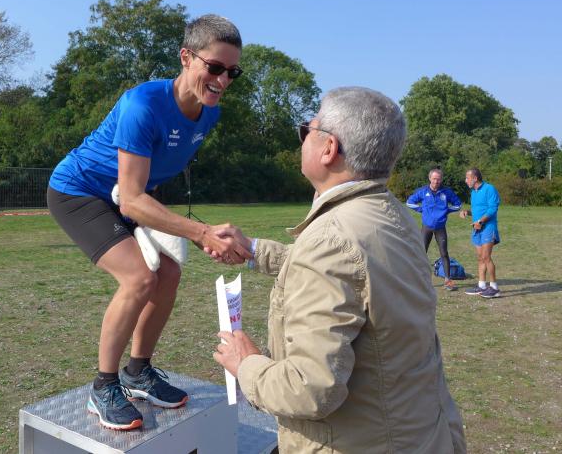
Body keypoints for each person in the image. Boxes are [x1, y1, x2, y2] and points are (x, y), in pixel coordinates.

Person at [210, 87, 466, 453]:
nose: (302, 138)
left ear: (329, 148)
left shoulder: (331, 241)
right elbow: (353, 273)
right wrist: (252, 250)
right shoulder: (391, 215)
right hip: (418, 433)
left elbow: (309, 389)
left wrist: (246, 365)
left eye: (307, 129)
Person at [47, 15, 251, 430]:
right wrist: (201, 232)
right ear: (186, 57)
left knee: (169, 273)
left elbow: (149, 179)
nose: (222, 81)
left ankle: (137, 372)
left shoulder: (209, 114)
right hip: (79, 191)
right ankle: (104, 387)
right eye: (214, 67)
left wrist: (195, 233)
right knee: (139, 278)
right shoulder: (142, 105)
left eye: (232, 72)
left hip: (131, 194)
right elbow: (132, 197)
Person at [407, 168, 463, 290]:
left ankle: (448, 280)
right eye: (434, 179)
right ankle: (418, 280)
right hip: (426, 227)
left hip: (440, 228)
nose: (436, 181)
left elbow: (458, 204)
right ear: (430, 178)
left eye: (438, 179)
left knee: (444, 253)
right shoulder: (423, 191)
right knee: (422, 253)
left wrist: (447, 211)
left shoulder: (446, 192)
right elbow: (409, 202)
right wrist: (421, 210)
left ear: (441, 179)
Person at [459, 168, 501, 298]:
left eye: (467, 178)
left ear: (475, 178)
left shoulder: (489, 189)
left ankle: (494, 288)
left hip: (488, 227)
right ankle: (481, 286)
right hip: (477, 228)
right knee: (480, 257)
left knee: (486, 257)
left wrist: (481, 222)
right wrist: (467, 212)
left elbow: (492, 209)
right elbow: (478, 210)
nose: (466, 181)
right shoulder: (473, 192)